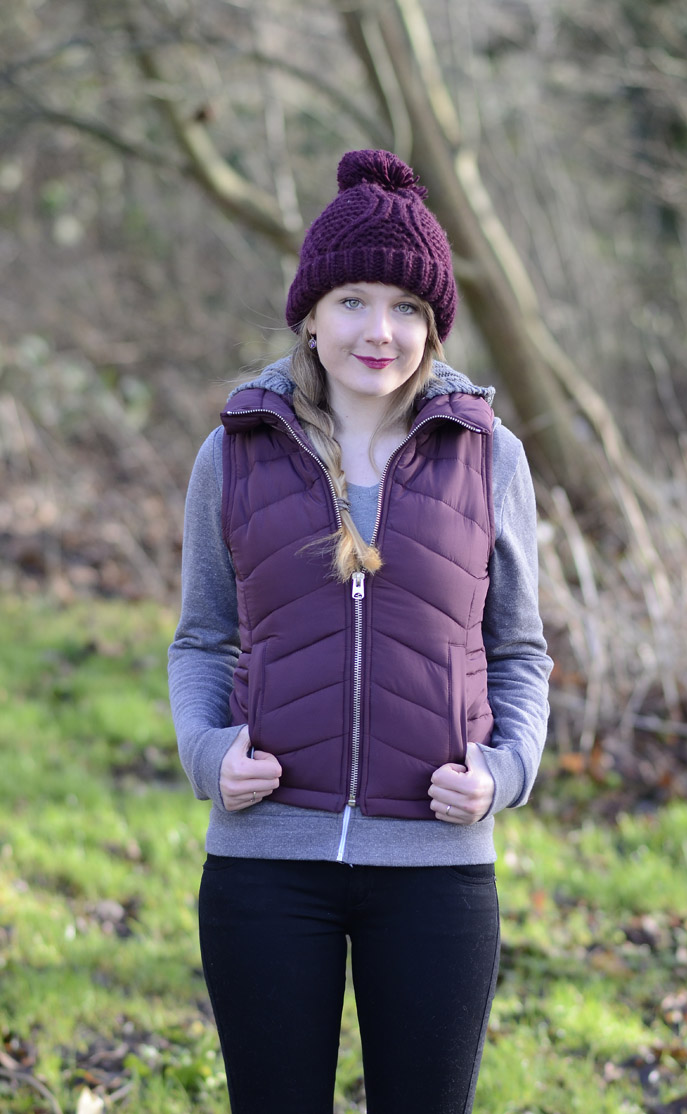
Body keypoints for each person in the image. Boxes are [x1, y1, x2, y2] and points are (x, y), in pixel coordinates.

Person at [168, 148, 552, 1114]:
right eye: (353, 301)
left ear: (433, 323)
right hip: (265, 865)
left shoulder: (489, 457)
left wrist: (503, 773)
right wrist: (210, 753)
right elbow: (202, 638)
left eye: (408, 308)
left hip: (437, 865)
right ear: (310, 311)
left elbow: (519, 651)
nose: (380, 331)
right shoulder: (235, 450)